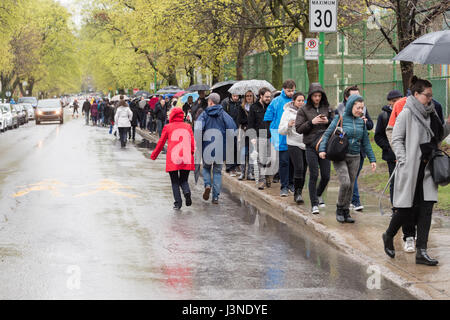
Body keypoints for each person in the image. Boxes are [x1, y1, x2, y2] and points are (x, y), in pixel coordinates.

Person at [382, 76, 450, 266]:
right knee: (405, 210)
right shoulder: (406, 113)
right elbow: (396, 138)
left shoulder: (432, 113)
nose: (430, 98)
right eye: (427, 95)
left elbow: (437, 136)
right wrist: (403, 160)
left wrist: (448, 124)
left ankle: (422, 252)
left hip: (428, 169)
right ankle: (388, 235)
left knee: (426, 210)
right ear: (416, 94)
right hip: (410, 169)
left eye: (431, 95)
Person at [319, 95, 377, 223]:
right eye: (358, 107)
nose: (361, 110)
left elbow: (366, 142)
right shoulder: (340, 118)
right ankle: (339, 209)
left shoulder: (362, 122)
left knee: (351, 185)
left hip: (355, 156)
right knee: (345, 182)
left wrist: (372, 160)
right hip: (340, 155)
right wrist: (322, 150)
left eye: (362, 108)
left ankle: (346, 211)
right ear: (351, 106)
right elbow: (327, 134)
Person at [295, 82, 333, 214]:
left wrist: (328, 122)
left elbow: (335, 123)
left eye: (319, 95)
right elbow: (298, 129)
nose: (317, 98)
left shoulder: (327, 108)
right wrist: (312, 122)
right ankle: (314, 204)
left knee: (326, 176)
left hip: (325, 145)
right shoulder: (303, 110)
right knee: (314, 175)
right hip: (310, 146)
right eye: (315, 96)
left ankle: (317, 194)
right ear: (310, 96)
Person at [336, 85, 374, 212]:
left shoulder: (362, 110)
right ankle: (347, 204)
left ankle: (347, 208)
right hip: (341, 152)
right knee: (346, 181)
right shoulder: (340, 111)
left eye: (359, 95)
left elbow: (369, 127)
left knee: (353, 180)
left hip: (358, 152)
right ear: (348, 98)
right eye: (354, 96)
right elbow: (331, 133)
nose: (358, 98)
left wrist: (364, 121)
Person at [195, 92, 237, 204]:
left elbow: (198, 129)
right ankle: (215, 197)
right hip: (220, 148)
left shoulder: (204, 114)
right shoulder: (224, 115)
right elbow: (232, 129)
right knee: (218, 172)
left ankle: (207, 184)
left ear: (210, 102)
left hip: (207, 147)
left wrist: (198, 143)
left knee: (206, 168)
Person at [150, 108, 195, 210]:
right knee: (184, 179)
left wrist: (154, 155)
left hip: (173, 158)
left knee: (174, 181)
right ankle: (186, 191)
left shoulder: (168, 127)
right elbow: (192, 142)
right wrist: (191, 153)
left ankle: (178, 203)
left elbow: (161, 142)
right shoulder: (188, 126)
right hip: (186, 156)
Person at [264, 79, 296, 197]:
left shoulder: (297, 101)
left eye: (293, 90)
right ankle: (284, 186)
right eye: (289, 91)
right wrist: (272, 133)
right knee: (283, 162)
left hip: (295, 136)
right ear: (283, 89)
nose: (291, 93)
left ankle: (292, 184)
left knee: (293, 162)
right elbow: (268, 117)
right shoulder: (276, 102)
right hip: (281, 135)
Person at [374, 90, 403, 207]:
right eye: (394, 102)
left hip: (406, 154)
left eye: (398, 101)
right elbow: (378, 136)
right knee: (394, 181)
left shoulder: (407, 112)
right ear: (389, 103)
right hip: (392, 155)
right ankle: (395, 207)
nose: (396, 103)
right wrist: (389, 147)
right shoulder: (384, 116)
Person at [279, 92, 308, 204]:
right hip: (293, 143)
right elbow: (281, 130)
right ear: (294, 101)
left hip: (306, 143)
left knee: (304, 169)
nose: (301, 103)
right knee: (299, 167)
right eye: (299, 100)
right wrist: (288, 125)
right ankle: (297, 193)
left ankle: (299, 190)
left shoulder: (307, 111)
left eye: (302, 100)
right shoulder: (288, 112)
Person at [248, 87, 272, 190]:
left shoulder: (271, 107)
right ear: (261, 96)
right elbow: (250, 123)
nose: (268, 99)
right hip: (259, 136)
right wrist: (252, 137)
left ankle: (267, 175)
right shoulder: (254, 107)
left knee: (269, 158)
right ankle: (262, 180)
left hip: (270, 136)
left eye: (269, 97)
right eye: (266, 97)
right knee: (260, 159)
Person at [237, 90, 255, 181]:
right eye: (247, 96)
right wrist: (249, 120)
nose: (249, 97)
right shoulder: (242, 107)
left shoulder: (255, 107)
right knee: (243, 152)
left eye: (250, 96)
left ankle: (250, 173)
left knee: (252, 153)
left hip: (253, 133)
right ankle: (242, 172)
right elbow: (240, 120)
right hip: (244, 132)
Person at [222, 94, 241, 176]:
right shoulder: (226, 103)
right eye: (234, 96)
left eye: (237, 96)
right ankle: (229, 168)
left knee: (237, 148)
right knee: (229, 148)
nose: (236, 98)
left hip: (237, 127)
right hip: (228, 128)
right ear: (231, 96)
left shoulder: (240, 103)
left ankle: (236, 165)